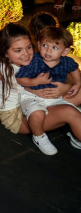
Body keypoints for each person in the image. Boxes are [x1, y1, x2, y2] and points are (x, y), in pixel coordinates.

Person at [0, 24, 81, 155]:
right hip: (19, 117)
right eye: (18, 50)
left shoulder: (36, 58)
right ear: (5, 52)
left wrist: (66, 87)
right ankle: (71, 130)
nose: (26, 54)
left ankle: (75, 131)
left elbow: (67, 70)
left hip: (41, 100)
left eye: (29, 47)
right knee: (69, 112)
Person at [15, 26, 81, 155]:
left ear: (65, 51)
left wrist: (77, 83)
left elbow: (74, 69)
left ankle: (75, 131)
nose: (48, 51)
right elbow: (19, 79)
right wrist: (35, 83)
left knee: (72, 111)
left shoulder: (66, 61)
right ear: (39, 45)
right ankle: (39, 137)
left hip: (55, 98)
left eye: (55, 48)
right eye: (45, 45)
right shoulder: (34, 61)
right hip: (32, 95)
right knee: (36, 112)